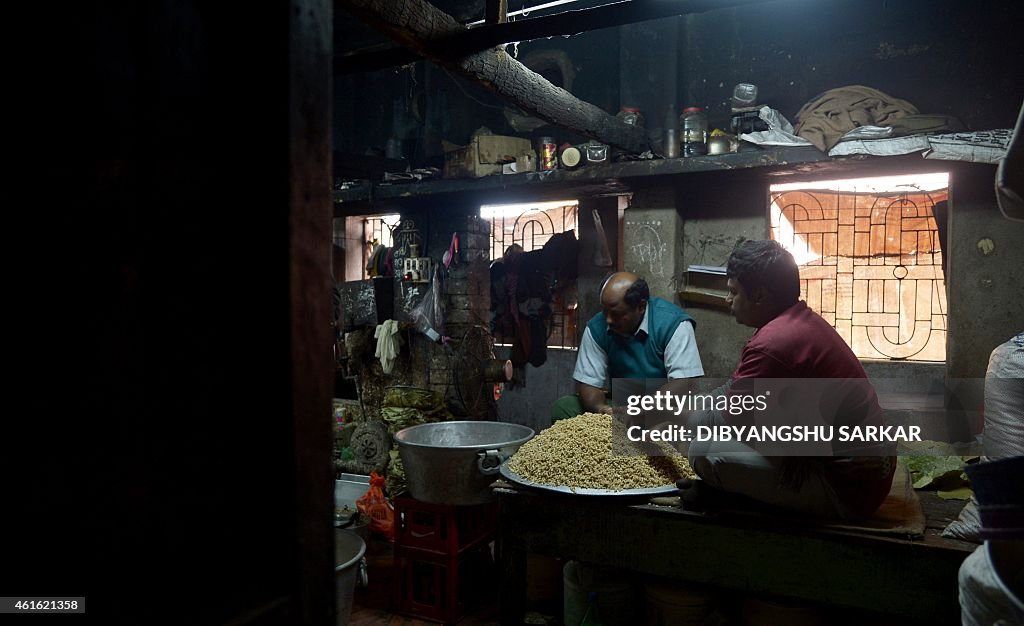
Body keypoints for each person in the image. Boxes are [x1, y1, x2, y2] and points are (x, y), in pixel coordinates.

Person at [680, 240, 896, 521]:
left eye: (733, 292)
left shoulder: (774, 343)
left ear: (758, 295)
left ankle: (742, 502)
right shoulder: (796, 322)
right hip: (850, 467)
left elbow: (728, 419)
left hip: (847, 489)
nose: (727, 300)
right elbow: (733, 395)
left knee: (702, 450)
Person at [551, 272, 704, 421]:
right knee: (564, 407)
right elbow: (588, 384)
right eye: (605, 312)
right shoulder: (597, 327)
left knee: (694, 414)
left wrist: (642, 409)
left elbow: (683, 383)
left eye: (616, 314)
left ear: (641, 307)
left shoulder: (673, 324)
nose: (609, 320)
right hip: (622, 406)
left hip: (663, 406)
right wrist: (601, 409)